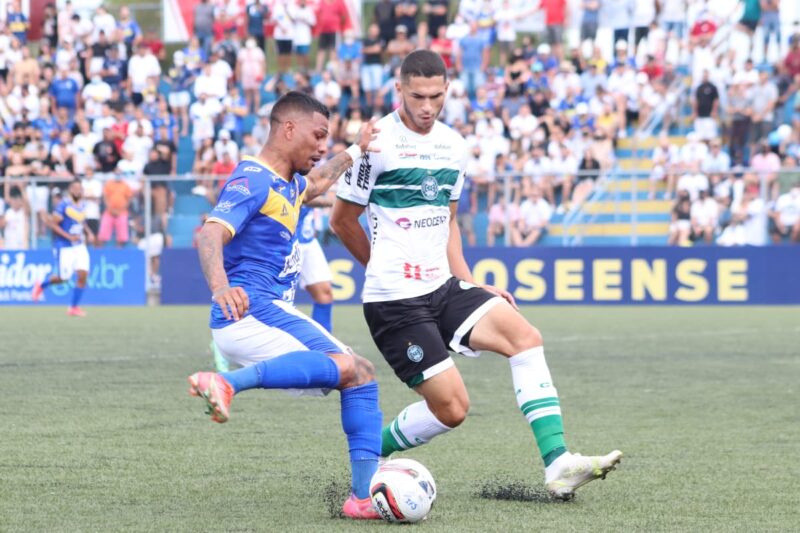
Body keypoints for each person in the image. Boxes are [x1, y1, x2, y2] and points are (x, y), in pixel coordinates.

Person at [330, 50, 622, 501]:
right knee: (452, 409)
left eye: (436, 96)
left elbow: (448, 222)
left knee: (525, 337)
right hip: (394, 300)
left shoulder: (454, 145)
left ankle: (559, 464)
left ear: (448, 90)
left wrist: (468, 282)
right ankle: (372, 455)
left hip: (442, 286)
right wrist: (381, 267)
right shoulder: (376, 143)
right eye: (417, 96)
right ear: (399, 90)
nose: (427, 106)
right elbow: (341, 221)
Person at [186, 91, 384, 519]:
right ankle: (226, 383)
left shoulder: (289, 183)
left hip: (262, 313)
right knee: (352, 368)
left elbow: (319, 182)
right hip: (251, 309)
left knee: (360, 375)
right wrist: (220, 288)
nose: (321, 147)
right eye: (318, 136)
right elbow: (210, 233)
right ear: (288, 129)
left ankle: (362, 499)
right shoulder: (253, 179)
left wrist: (356, 149)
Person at [32, 179, 95, 316]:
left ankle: (73, 307)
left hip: (79, 245)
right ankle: (41, 285)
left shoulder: (82, 205)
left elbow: (81, 221)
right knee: (63, 278)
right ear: (70, 189)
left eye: (80, 188)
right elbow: (53, 224)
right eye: (75, 188)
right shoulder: (64, 205)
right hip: (65, 246)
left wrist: (89, 233)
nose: (78, 191)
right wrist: (69, 236)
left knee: (83, 274)